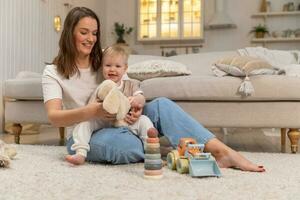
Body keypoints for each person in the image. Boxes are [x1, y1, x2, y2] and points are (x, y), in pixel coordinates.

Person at [42, 7, 265, 172]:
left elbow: (130, 89)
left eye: (95, 33)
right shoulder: (53, 72)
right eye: (84, 32)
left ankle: (223, 152)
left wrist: (137, 106)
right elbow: (54, 117)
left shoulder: (105, 60)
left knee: (161, 105)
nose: (91, 39)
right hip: (86, 135)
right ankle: (165, 151)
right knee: (124, 147)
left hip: (124, 122)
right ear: (69, 33)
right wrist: (94, 111)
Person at [65, 45, 156, 165]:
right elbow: (91, 107)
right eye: (108, 66)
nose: (112, 69)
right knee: (84, 125)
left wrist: (136, 100)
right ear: (102, 67)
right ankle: (80, 152)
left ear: (125, 68)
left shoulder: (131, 84)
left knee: (145, 121)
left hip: (127, 120)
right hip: (104, 122)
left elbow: (141, 98)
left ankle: (151, 151)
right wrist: (98, 109)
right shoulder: (101, 88)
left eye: (118, 66)